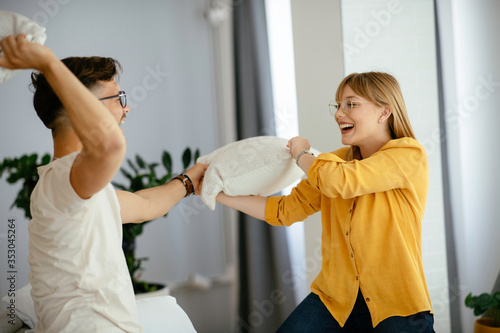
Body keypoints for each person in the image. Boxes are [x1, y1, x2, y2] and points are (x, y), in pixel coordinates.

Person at [0, 34, 205, 332]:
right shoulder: (63, 181)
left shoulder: (75, 188)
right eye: (119, 98)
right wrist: (46, 62)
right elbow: (109, 145)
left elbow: (146, 204)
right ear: (81, 107)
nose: (127, 108)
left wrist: (189, 181)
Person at [215, 72, 434, 332]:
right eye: (338, 105)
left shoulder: (408, 153)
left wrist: (302, 154)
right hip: (335, 300)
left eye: (351, 104)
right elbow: (283, 210)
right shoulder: (333, 163)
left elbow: (341, 181)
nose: (339, 113)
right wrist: (217, 193)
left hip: (397, 304)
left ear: (384, 112)